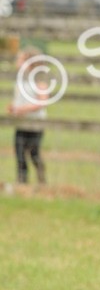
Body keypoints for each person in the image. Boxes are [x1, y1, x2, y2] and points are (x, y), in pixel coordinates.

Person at [8, 46, 48, 185]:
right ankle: (22, 182)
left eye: (20, 60)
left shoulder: (39, 81)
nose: (17, 63)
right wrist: (14, 108)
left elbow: (41, 102)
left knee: (33, 154)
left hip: (35, 123)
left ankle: (41, 180)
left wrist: (21, 110)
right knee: (19, 153)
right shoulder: (20, 80)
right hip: (21, 122)